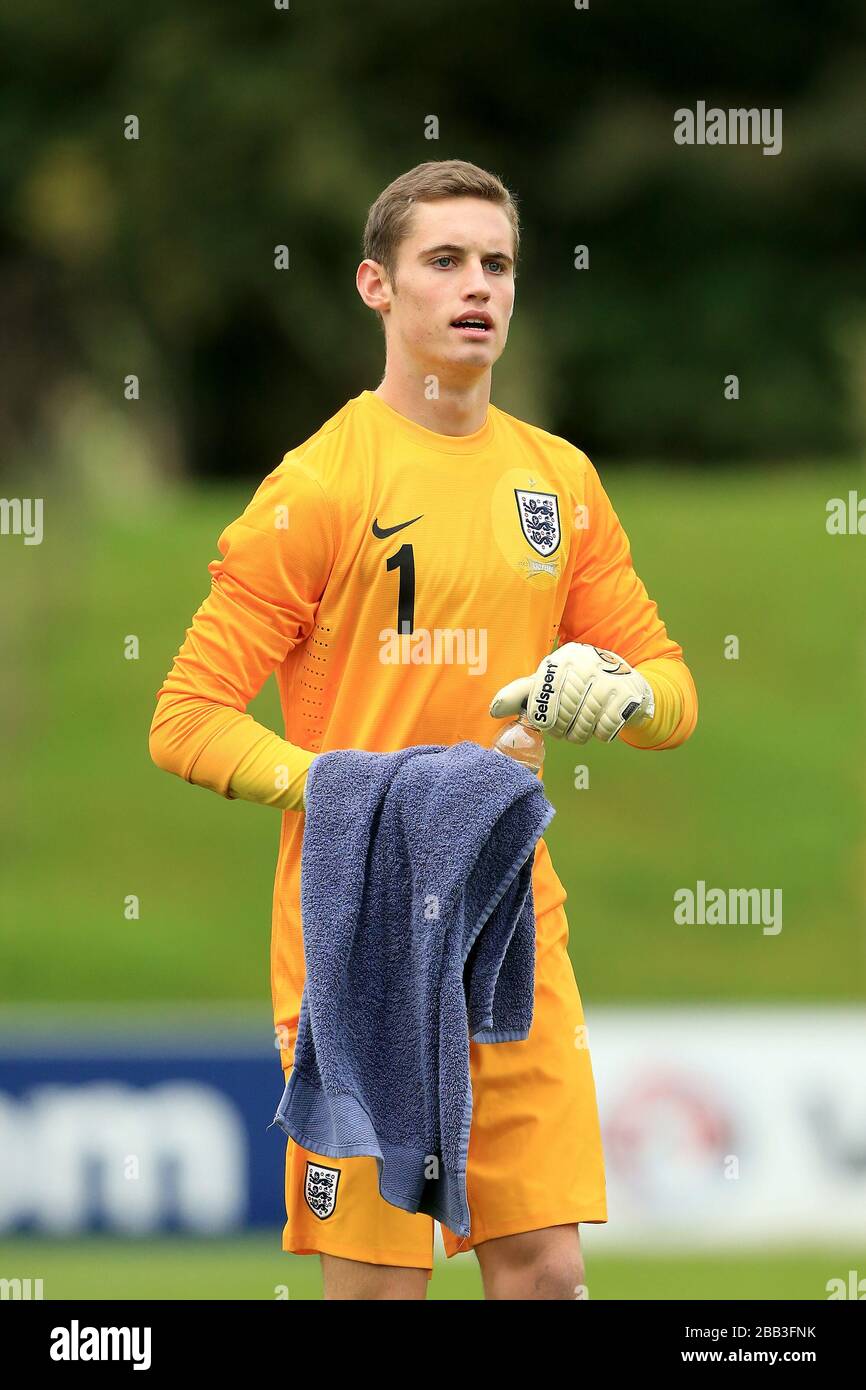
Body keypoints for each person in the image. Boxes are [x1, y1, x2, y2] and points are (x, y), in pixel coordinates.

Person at [149, 158, 698, 1300]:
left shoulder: (560, 480)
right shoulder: (316, 486)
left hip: (513, 924)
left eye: (495, 263)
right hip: (358, 928)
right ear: (374, 287)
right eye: (442, 261)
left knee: (546, 1270)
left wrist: (624, 696)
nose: (476, 286)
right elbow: (185, 718)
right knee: (380, 1293)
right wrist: (345, 791)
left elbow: (670, 688)